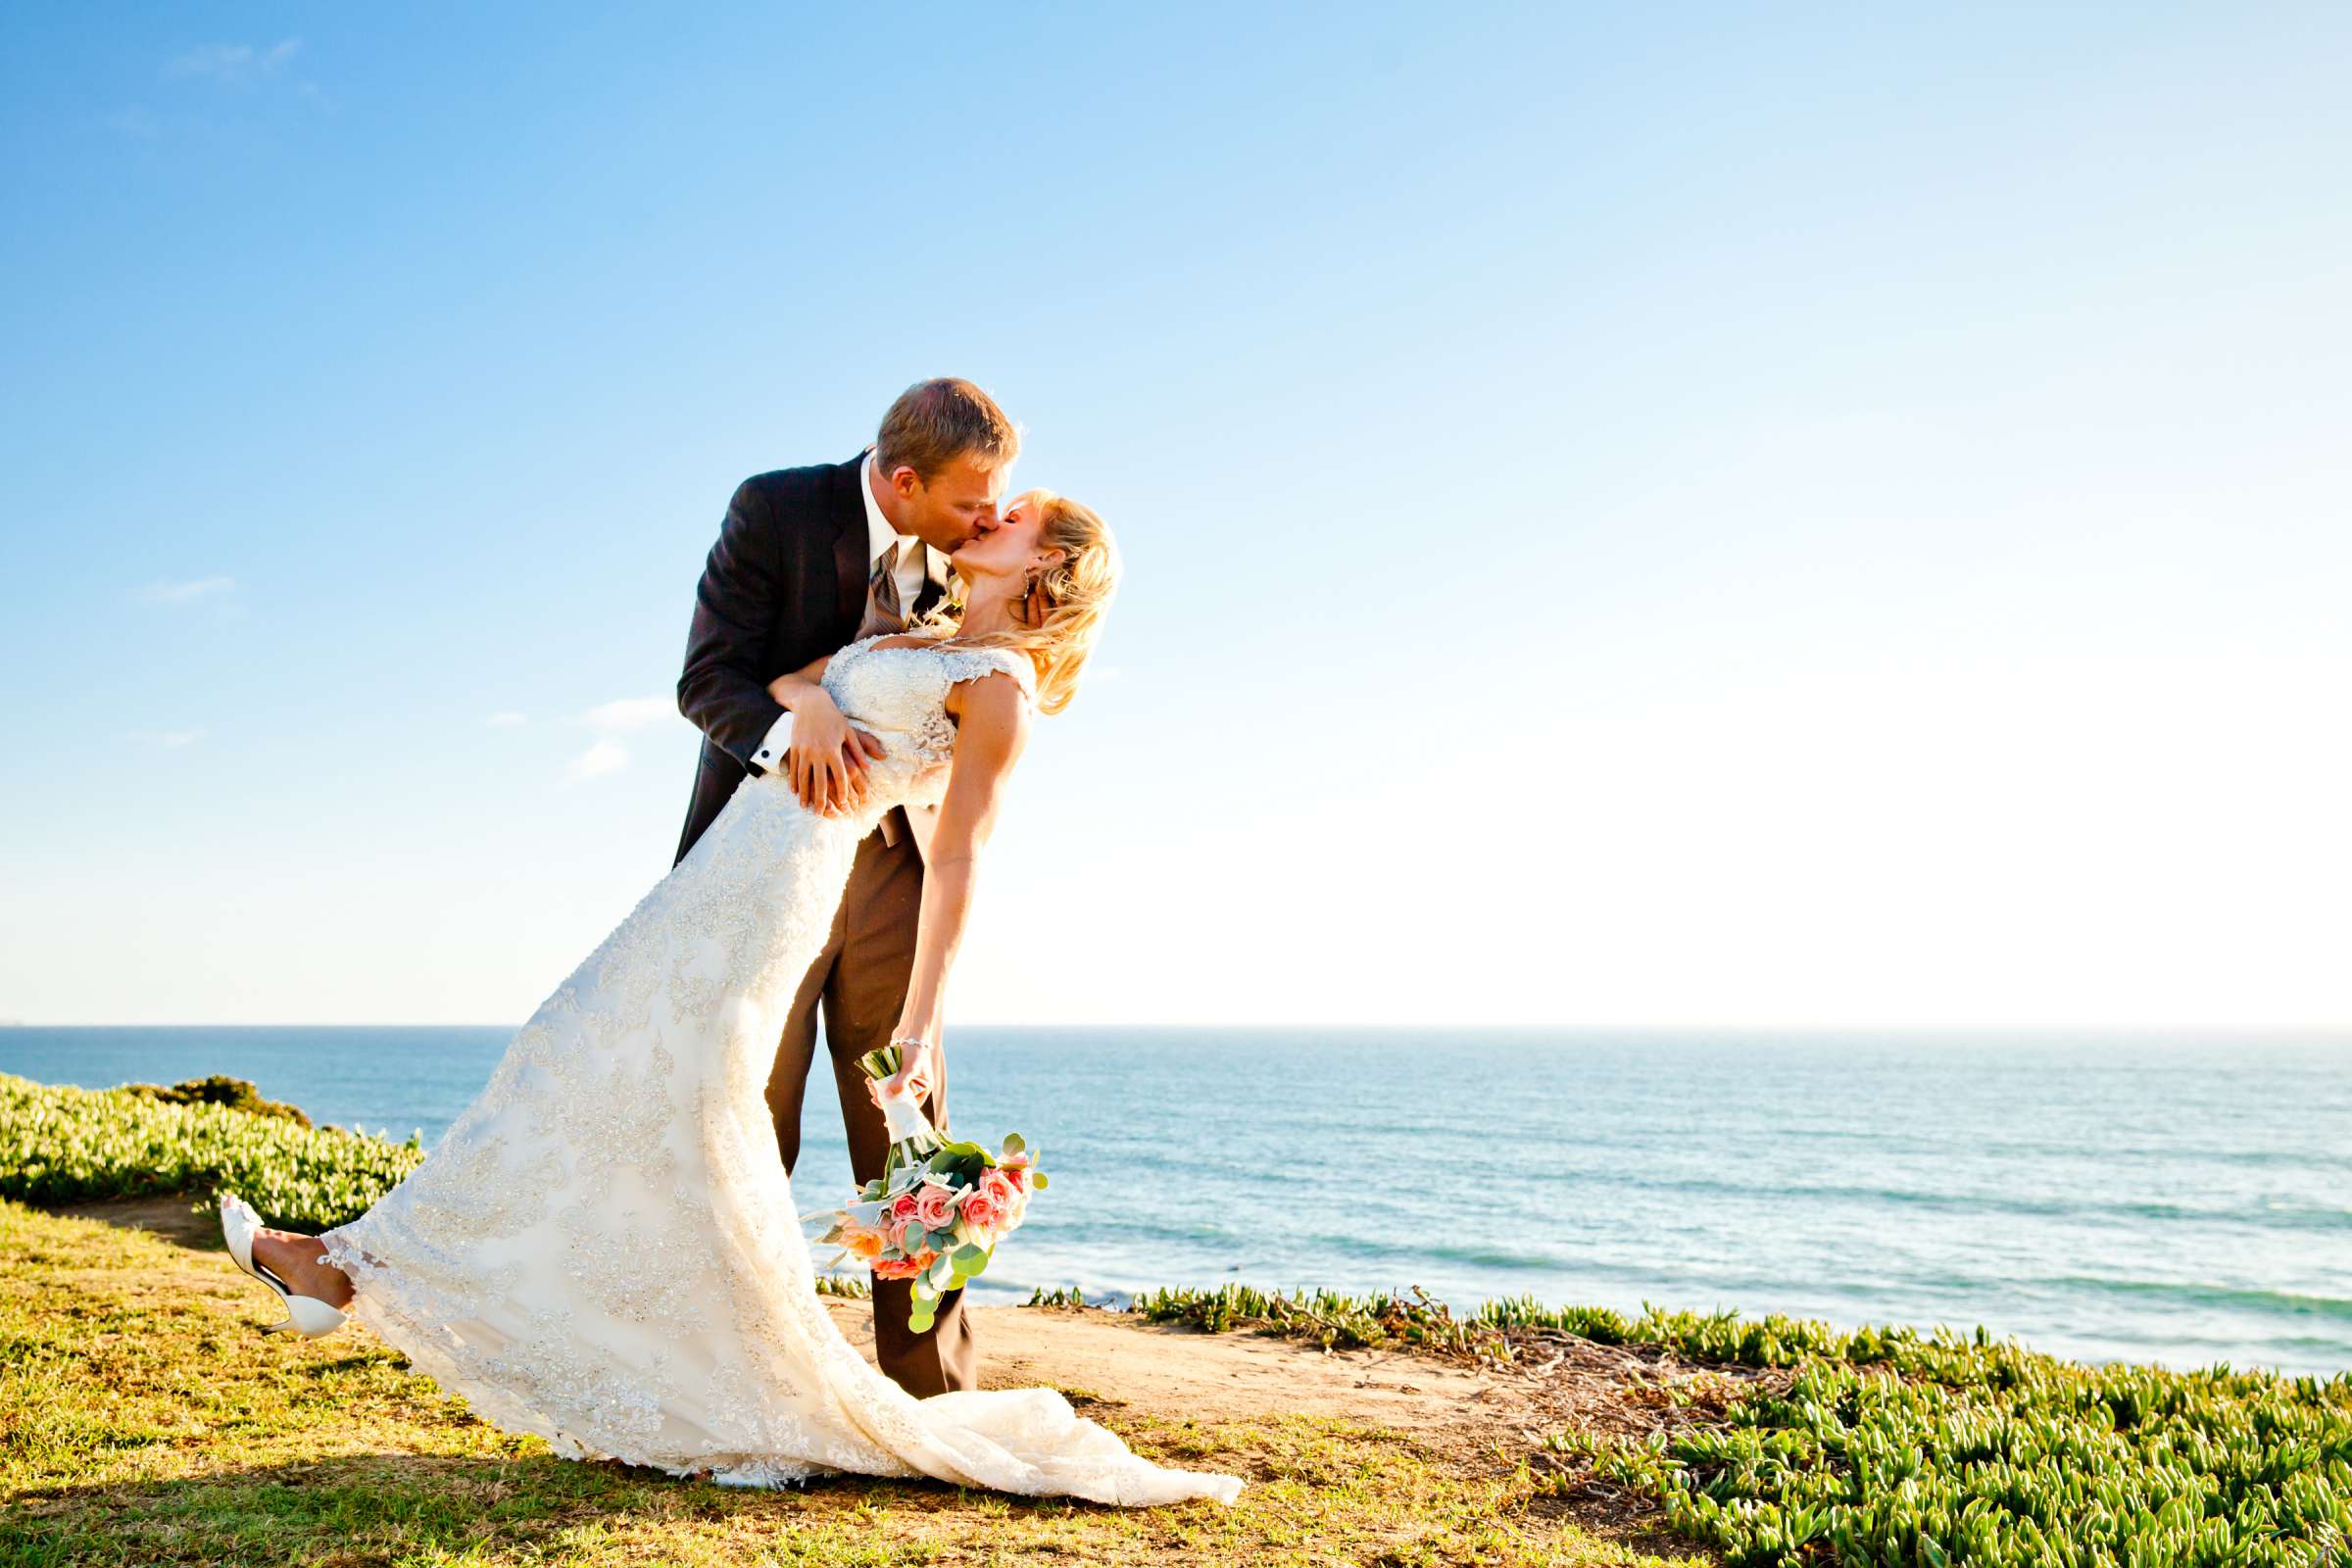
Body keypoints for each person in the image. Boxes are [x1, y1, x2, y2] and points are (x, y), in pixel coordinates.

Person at [217, 421, 1245, 1505]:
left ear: (1047, 564)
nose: (991, 514)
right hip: (724, 871)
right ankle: (487, 1310)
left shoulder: (999, 686)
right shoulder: (923, 627)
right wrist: (805, 712)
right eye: (988, 499)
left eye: (1016, 513)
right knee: (581, 1065)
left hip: (786, 892)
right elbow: (794, 677)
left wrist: (923, 1019)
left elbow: (961, 862)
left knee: (705, 1115)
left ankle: (357, 1270)